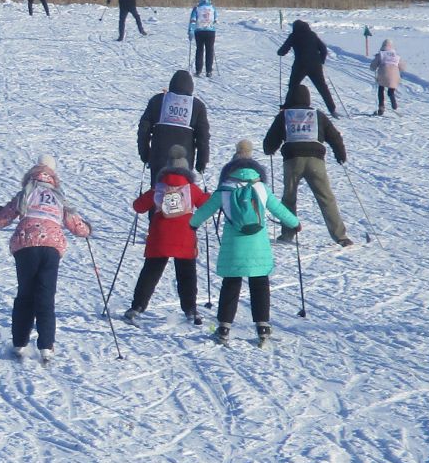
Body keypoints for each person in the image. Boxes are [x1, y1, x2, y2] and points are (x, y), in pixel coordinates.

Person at [190, 139, 300, 345]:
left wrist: (192, 225)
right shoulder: (261, 188)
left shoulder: (225, 189)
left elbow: (204, 212)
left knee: (231, 284)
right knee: (260, 284)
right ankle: (263, 327)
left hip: (234, 247)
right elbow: (279, 210)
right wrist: (294, 223)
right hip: (258, 246)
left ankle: (223, 327)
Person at [0, 157, 92, 362]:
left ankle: (19, 343)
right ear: (53, 176)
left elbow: (1, 220)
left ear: (33, 173)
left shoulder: (26, 192)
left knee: (25, 294)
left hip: (26, 246)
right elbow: (75, 223)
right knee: (46, 295)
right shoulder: (58, 196)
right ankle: (46, 346)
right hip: (51, 248)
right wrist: (86, 230)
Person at [122, 145, 209, 326]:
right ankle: (190, 309)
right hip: (184, 237)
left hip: (159, 237)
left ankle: (137, 307)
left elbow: (138, 206)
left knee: (151, 272)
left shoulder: (159, 188)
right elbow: (206, 205)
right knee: (186, 274)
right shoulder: (191, 188)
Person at [262, 83, 354, 247]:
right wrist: (340, 155)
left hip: (292, 160)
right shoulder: (317, 115)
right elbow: (334, 136)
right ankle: (340, 236)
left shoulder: (285, 115)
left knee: (289, 198)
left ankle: (288, 233)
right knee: (326, 197)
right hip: (316, 161)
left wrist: (269, 149)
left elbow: (270, 140)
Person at [137, 68, 211, 183]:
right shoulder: (197, 106)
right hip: (184, 161)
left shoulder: (158, 100)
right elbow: (203, 137)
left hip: (158, 158)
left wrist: (145, 153)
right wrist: (202, 161)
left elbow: (143, 129)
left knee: (158, 192)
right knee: (182, 193)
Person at [276, 18, 337, 113]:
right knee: (322, 87)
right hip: (315, 65)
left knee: (293, 85)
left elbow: (284, 49)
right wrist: (321, 60)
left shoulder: (294, 35)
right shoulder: (312, 35)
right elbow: (323, 49)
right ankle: (332, 108)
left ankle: (288, 106)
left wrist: (280, 53)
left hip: (300, 65)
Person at [188, 0, 218, 76]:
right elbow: (216, 19)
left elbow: (193, 20)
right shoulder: (213, 8)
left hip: (199, 31)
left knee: (199, 50)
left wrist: (190, 31)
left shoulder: (197, 8)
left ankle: (198, 70)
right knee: (210, 50)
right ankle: (209, 71)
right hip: (210, 32)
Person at [373, 37, 405, 114]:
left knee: (381, 89)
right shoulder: (396, 56)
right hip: (394, 76)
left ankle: (381, 107)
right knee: (391, 89)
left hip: (382, 75)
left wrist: (374, 68)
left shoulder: (380, 54)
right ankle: (393, 102)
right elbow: (402, 67)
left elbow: (373, 65)